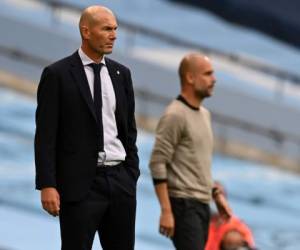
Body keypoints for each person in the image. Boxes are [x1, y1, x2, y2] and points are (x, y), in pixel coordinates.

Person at [34, 5, 139, 250]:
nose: (113, 35)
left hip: (120, 182)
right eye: (106, 29)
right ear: (86, 31)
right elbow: (46, 135)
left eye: (115, 29)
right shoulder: (57, 74)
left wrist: (130, 175)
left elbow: (128, 131)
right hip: (80, 186)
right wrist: (47, 184)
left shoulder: (121, 74)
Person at [149, 53, 232, 250]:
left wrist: (215, 194)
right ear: (190, 78)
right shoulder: (175, 114)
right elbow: (157, 162)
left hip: (202, 205)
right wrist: (166, 210)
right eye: (208, 74)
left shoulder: (205, 115)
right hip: (183, 206)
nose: (214, 79)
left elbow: (197, 164)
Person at [206, 182, 255, 250]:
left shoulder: (237, 226)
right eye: (210, 195)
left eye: (217, 195)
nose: (214, 200)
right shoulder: (196, 223)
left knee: (233, 237)